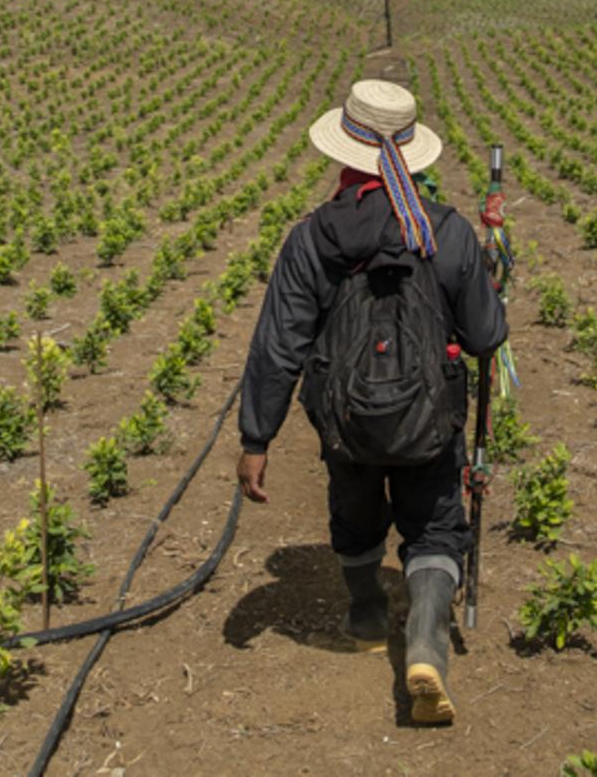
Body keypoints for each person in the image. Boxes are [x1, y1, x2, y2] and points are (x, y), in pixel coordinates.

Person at [236, 79, 507, 725]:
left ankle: (363, 616)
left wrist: (256, 437)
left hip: (344, 424)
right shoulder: (445, 232)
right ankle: (425, 645)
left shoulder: (312, 238)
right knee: (436, 524)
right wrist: (490, 277)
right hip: (428, 423)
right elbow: (484, 335)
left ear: (344, 153)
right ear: (413, 154)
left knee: (354, 514)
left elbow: (280, 342)